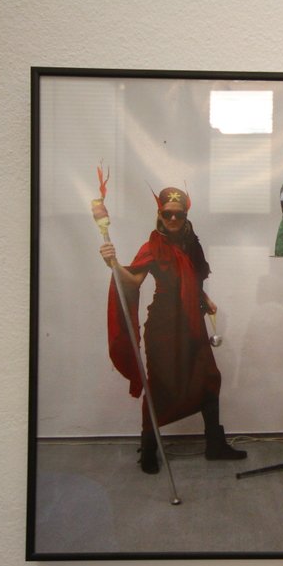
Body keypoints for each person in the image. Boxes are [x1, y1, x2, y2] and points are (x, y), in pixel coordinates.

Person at [100, 186, 246, 474]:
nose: (173, 219)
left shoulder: (193, 244)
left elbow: (190, 280)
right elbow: (133, 281)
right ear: (160, 214)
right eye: (168, 214)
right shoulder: (152, 246)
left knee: (209, 378)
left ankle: (215, 445)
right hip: (164, 326)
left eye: (179, 214)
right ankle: (149, 449)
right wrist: (113, 263)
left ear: (186, 215)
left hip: (191, 322)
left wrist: (204, 298)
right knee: (159, 384)